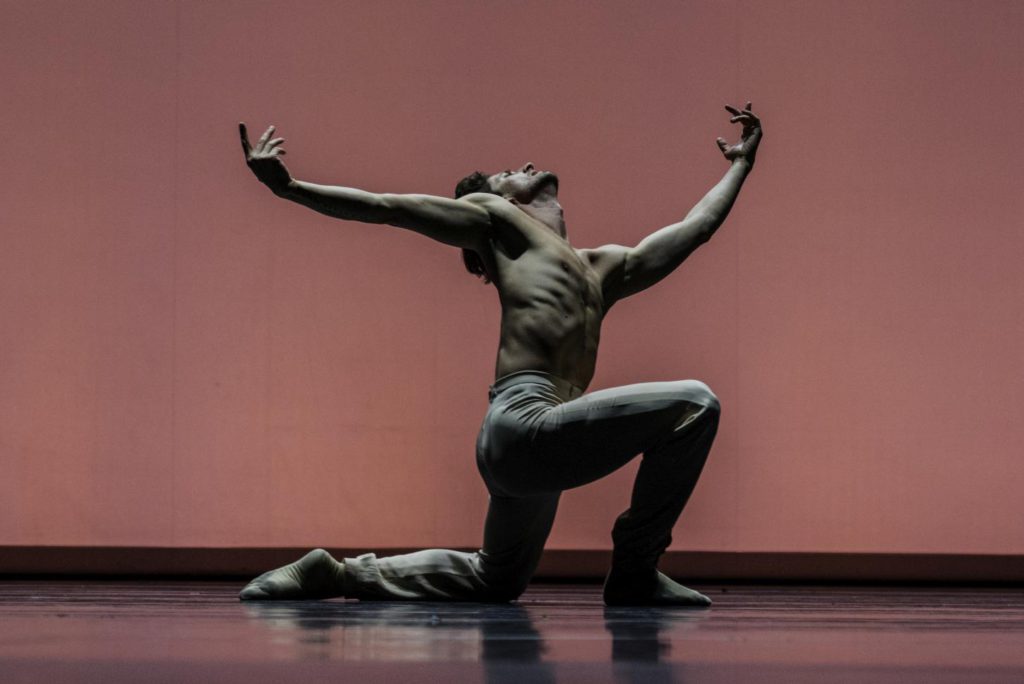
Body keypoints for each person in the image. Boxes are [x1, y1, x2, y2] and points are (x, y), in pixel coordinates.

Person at [237, 102, 762, 606]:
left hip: (540, 437)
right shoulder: (496, 220)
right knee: (695, 404)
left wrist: (739, 167)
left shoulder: (599, 267)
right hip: (524, 418)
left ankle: (334, 572)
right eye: (508, 172)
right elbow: (387, 208)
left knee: (497, 577)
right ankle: (636, 568)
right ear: (500, 200)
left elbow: (695, 230)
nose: (525, 166)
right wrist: (290, 188)